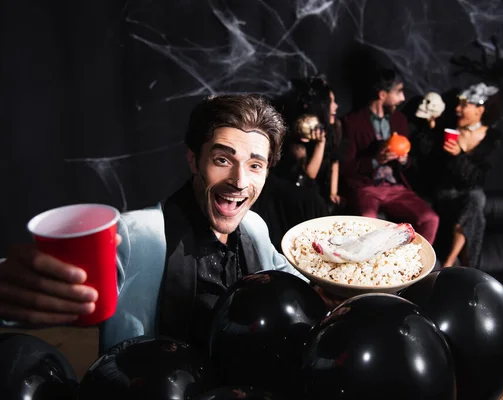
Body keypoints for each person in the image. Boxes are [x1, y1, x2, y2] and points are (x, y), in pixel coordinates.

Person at [0, 94, 337, 350]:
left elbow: (295, 282)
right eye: (223, 159)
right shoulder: (133, 235)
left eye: (254, 166)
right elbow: (50, 288)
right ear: (194, 160)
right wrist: (13, 293)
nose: (238, 181)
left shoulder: (255, 227)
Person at [340, 68, 439, 244]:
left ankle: (411, 265)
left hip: (395, 188)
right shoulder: (352, 122)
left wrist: (403, 160)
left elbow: (408, 163)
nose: (403, 98)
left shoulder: (399, 120)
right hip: (367, 188)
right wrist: (374, 161)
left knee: (430, 219)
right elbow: (346, 167)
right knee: (367, 221)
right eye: (399, 92)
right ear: (382, 94)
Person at [412, 82, 503, 268]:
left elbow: (476, 178)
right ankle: (464, 267)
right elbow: (428, 165)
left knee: (476, 199)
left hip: (468, 198)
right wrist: (430, 128)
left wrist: (459, 156)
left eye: (463, 105)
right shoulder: (448, 128)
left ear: (480, 109)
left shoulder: (491, 138)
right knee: (476, 203)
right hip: (444, 196)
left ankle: (450, 262)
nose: (457, 109)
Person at [275, 75, 343, 211]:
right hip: (301, 193)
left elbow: (334, 160)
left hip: (321, 191)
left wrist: (333, 192)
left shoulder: (335, 126)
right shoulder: (298, 133)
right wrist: (320, 144)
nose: (336, 106)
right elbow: (309, 175)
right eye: (331, 102)